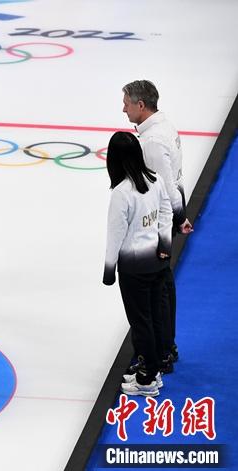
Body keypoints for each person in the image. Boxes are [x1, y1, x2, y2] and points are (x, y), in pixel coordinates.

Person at [122, 80, 193, 372]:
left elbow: (165, 187)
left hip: (160, 217)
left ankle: (160, 353)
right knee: (161, 284)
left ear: (141, 105)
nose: (123, 109)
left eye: (126, 103)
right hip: (167, 210)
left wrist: (179, 218)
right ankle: (165, 347)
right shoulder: (164, 125)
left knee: (155, 288)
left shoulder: (151, 141)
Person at [103, 131, 173, 397]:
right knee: (155, 316)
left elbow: (116, 232)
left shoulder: (122, 192)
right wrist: (165, 245)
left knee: (141, 320)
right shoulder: (154, 179)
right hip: (157, 261)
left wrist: (109, 268)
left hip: (134, 267)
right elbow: (165, 211)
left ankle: (146, 378)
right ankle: (152, 367)